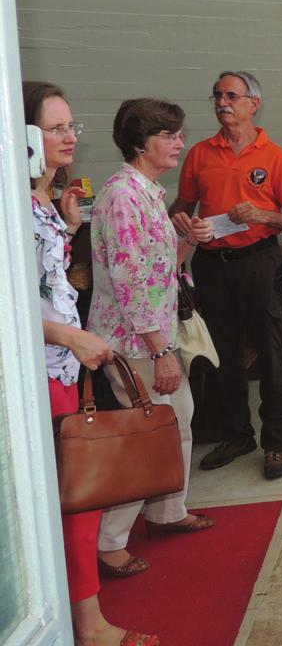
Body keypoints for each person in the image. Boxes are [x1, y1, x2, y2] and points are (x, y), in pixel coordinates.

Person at [26, 82, 159, 646]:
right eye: (55, 128)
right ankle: (85, 623)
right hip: (42, 371)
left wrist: (70, 227)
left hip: (60, 365)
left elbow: (44, 281)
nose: (69, 137)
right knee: (72, 501)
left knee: (77, 501)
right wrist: (69, 335)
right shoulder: (14, 206)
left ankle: (83, 615)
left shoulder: (40, 200)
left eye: (71, 126)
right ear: (24, 137)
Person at [88, 98, 215, 579]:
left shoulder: (146, 193)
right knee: (151, 434)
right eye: (169, 134)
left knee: (178, 420)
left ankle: (166, 511)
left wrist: (189, 243)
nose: (179, 142)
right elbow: (130, 282)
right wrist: (161, 352)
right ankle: (109, 540)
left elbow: (162, 269)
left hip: (151, 335)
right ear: (141, 143)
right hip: (135, 341)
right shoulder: (123, 196)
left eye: (178, 133)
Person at [169, 71, 282, 480]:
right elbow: (184, 204)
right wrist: (179, 222)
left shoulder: (275, 157)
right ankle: (236, 434)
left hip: (260, 262)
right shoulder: (199, 154)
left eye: (232, 95)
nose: (223, 102)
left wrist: (263, 214)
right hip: (211, 265)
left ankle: (277, 444)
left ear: (253, 104)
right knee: (222, 353)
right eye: (217, 96)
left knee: (272, 352)